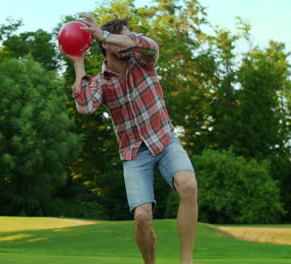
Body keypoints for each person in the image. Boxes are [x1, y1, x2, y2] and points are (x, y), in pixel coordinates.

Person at [60, 13, 198, 264]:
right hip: (134, 153)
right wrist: (78, 63)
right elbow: (85, 106)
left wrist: (107, 35)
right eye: (119, 37)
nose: (126, 41)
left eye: (126, 36)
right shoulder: (101, 82)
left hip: (165, 140)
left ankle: (186, 261)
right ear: (105, 47)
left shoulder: (144, 61)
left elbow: (151, 45)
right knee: (142, 217)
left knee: (188, 185)